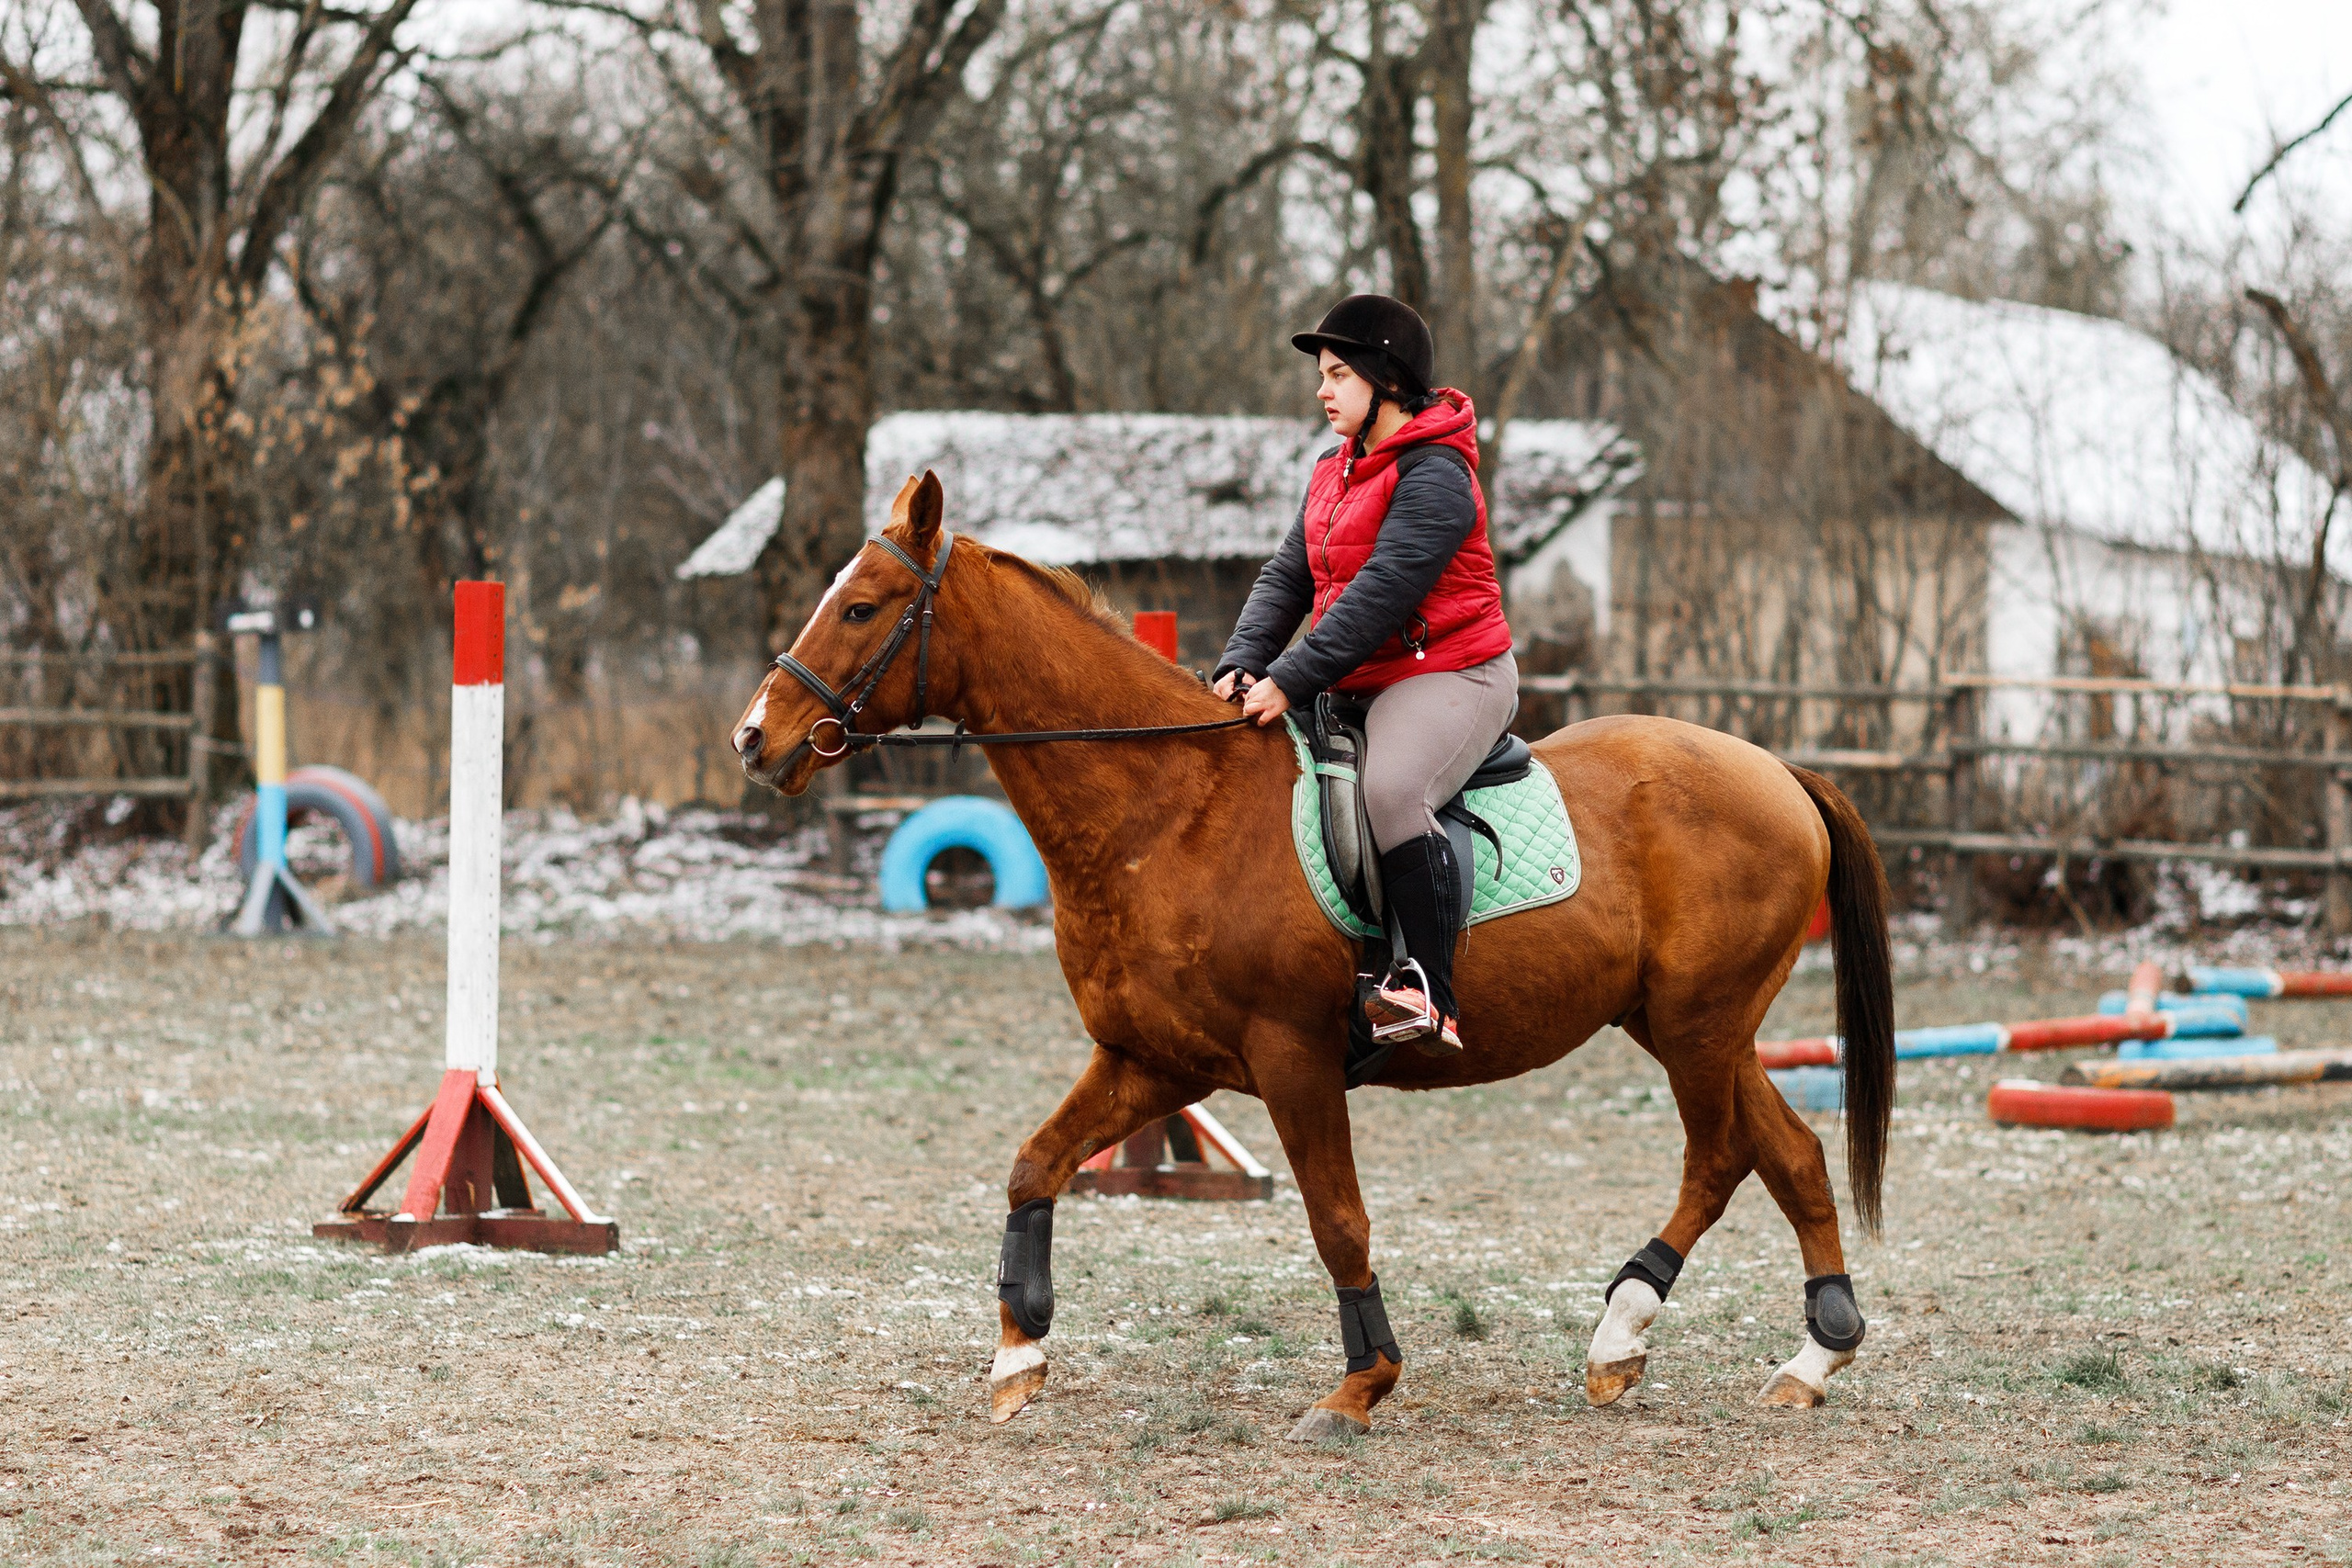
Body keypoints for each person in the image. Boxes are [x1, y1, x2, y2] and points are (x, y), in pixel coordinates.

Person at [1213, 294, 1519, 1055]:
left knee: (1391, 789)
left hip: (1452, 669)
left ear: (1386, 379)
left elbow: (1382, 592)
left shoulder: (1438, 474)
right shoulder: (1332, 469)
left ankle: (1426, 988)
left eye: (1339, 374)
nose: (1323, 390)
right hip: (1361, 673)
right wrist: (1241, 662)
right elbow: (1288, 576)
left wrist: (1292, 676)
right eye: (1323, 374)